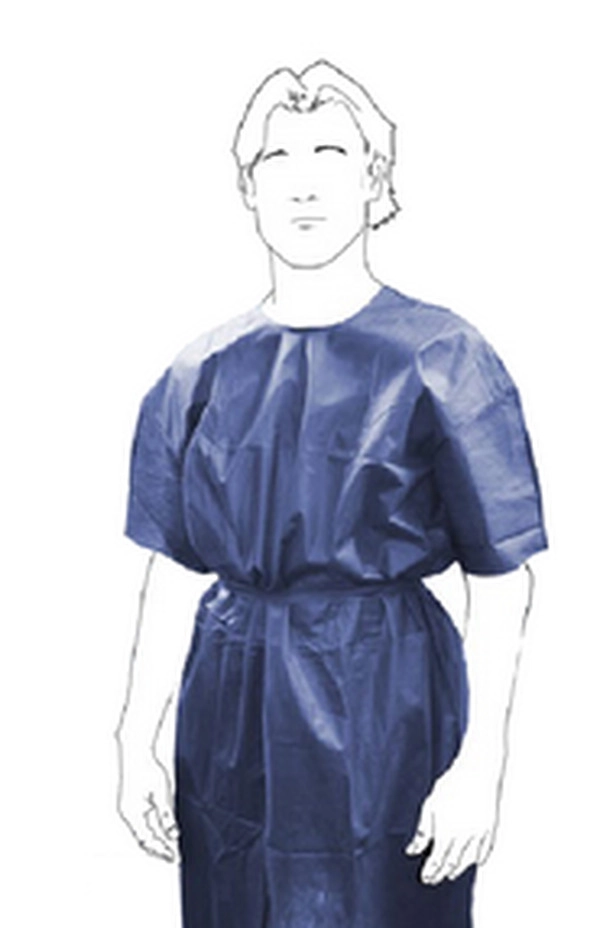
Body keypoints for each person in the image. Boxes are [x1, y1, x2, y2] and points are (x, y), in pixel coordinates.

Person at [115, 60, 548, 928]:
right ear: (248, 186)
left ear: (374, 180)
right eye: (277, 157)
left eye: (331, 152)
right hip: (231, 698)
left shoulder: (442, 357)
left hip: (385, 693)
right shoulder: (200, 370)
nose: (303, 180)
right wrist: (134, 739)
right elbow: (171, 566)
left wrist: (479, 766)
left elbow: (502, 578)